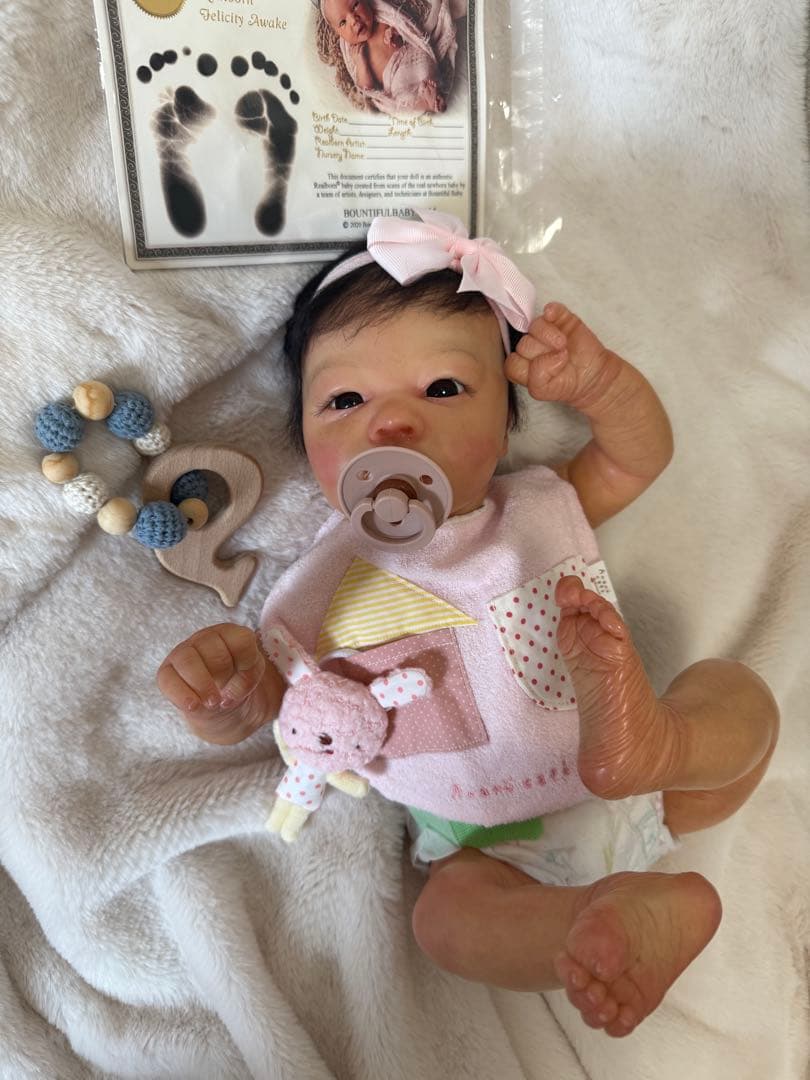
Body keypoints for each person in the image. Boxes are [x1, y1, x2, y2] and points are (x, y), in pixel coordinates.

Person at [156, 210, 779, 1038]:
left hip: (638, 782)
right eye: (345, 399)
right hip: (483, 844)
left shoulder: (538, 509)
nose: (392, 423)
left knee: (738, 699)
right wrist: (226, 696)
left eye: (443, 388)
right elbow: (280, 704)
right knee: (445, 922)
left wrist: (600, 386)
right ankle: (598, 924)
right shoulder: (323, 580)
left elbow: (639, 455)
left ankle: (663, 741)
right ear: (303, 440)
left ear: (505, 423)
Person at [315, 0, 458, 115]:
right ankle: (427, 102)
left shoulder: (383, 19)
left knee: (425, 65)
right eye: (343, 22)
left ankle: (432, 91)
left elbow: (407, 32)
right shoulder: (356, 53)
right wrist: (361, 63)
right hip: (395, 81)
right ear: (338, 33)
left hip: (412, 57)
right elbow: (367, 88)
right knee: (403, 97)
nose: (353, 19)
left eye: (355, 5)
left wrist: (395, 36)